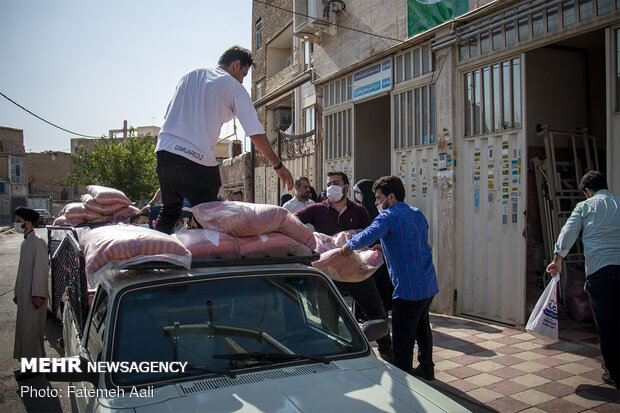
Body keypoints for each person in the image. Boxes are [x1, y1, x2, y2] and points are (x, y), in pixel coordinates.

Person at [154, 45, 293, 234]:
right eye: (244, 74)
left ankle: (153, 258)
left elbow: (168, 115)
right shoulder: (232, 85)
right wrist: (277, 165)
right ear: (236, 64)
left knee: (169, 211)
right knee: (210, 216)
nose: (243, 80)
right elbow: (254, 131)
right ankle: (210, 257)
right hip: (196, 159)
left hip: (165, 154)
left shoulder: (190, 75)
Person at [341, 176, 439, 380]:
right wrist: (385, 247)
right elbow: (412, 242)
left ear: (391, 197)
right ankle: (427, 369)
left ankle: (403, 380)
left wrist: (347, 246)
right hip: (427, 285)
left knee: (403, 340)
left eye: (378, 198)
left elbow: (368, 235)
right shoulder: (416, 213)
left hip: (408, 290)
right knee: (422, 330)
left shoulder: (388, 217)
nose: (376, 203)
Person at [295, 171, 392, 361]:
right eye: (329, 183)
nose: (331, 187)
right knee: (328, 319)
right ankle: (334, 355)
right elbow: (293, 219)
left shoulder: (359, 211)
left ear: (346, 187)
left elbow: (370, 235)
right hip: (328, 275)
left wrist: (353, 235)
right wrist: (308, 239)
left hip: (355, 271)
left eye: (336, 183)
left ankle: (386, 349)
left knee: (376, 311)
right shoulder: (317, 209)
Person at [546, 171, 619, 389]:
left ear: (588, 191)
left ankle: (613, 373)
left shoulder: (585, 207)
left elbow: (568, 232)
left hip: (600, 271)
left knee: (606, 324)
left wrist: (558, 258)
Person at [13, 207, 49, 380]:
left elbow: (41, 270)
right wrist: (17, 291)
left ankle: (33, 368)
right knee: (25, 331)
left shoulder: (37, 242)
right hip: (25, 294)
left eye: (18, 221)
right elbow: (22, 270)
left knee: (32, 332)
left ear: (27, 222)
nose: (16, 224)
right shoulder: (26, 241)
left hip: (34, 297)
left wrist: (37, 294)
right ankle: (28, 365)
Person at [353, 179, 393, 320]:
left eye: (359, 192)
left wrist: (349, 245)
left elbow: (369, 234)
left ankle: (379, 313)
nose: (357, 195)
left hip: (379, 254)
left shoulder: (384, 214)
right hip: (367, 253)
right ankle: (363, 314)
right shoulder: (359, 209)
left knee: (379, 284)